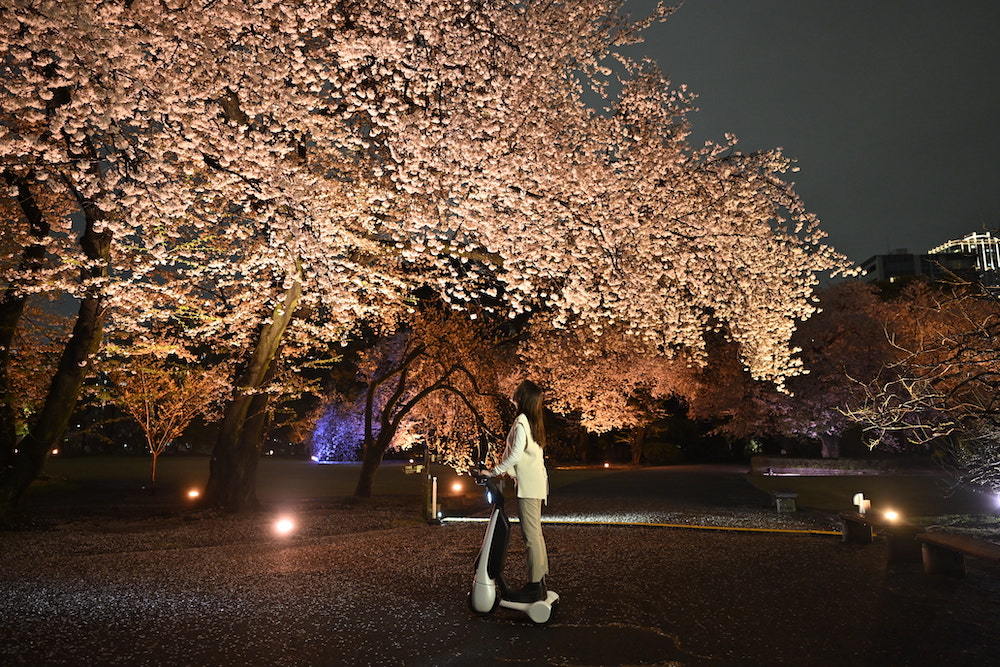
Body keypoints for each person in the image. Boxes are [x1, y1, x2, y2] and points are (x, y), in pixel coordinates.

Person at [479, 380, 549, 603]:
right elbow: (523, 456)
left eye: (518, 391)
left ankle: (535, 585)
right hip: (536, 483)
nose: (514, 392)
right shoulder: (533, 422)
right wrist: (500, 471)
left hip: (529, 486)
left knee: (531, 537)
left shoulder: (521, 422)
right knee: (535, 535)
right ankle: (540, 581)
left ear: (523, 397)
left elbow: (516, 454)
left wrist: (494, 471)